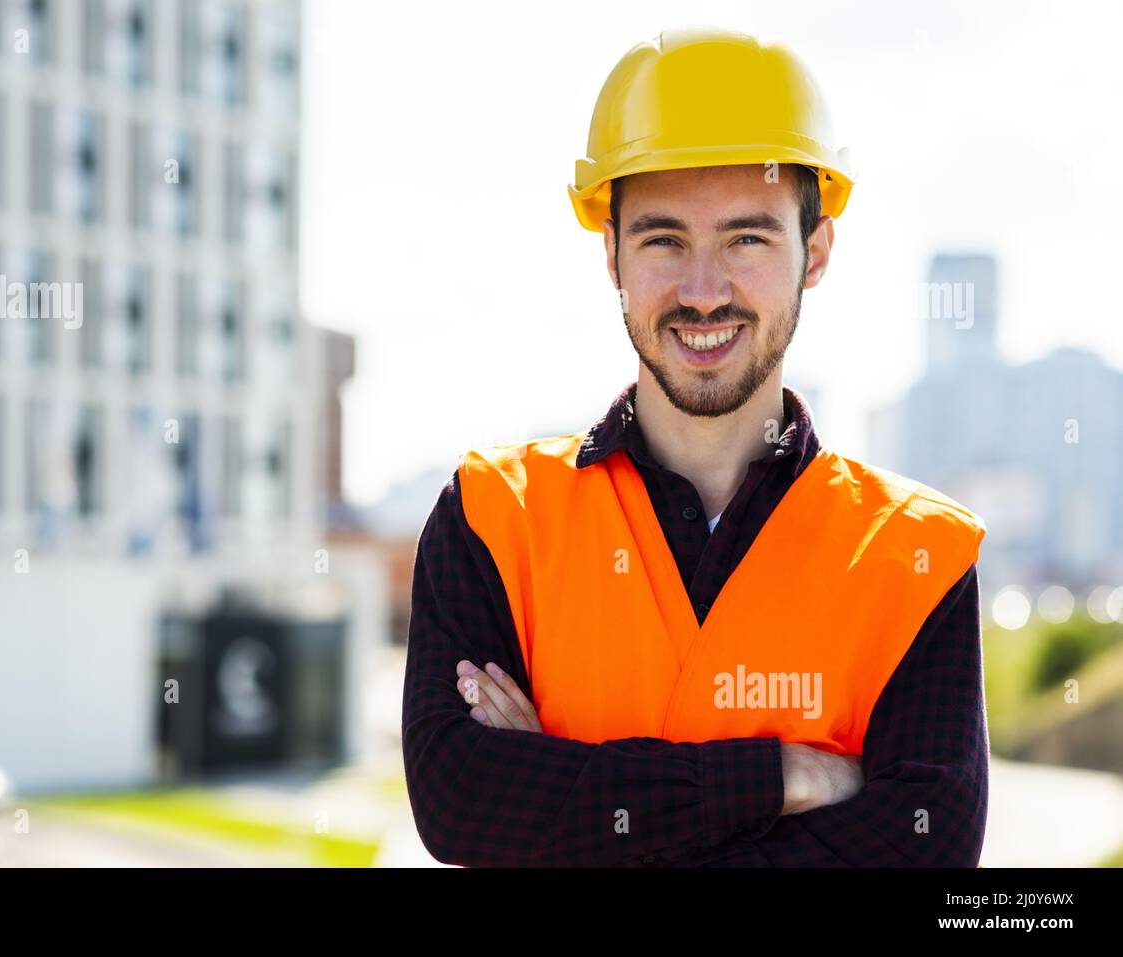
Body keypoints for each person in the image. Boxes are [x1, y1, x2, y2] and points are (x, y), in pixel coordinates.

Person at [401, 27, 988, 867]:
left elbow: (922, 851)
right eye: (663, 240)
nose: (703, 292)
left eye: (746, 239)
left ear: (814, 253)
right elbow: (461, 799)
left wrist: (562, 813)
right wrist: (774, 779)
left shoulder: (918, 555)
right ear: (611, 252)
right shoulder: (494, 517)